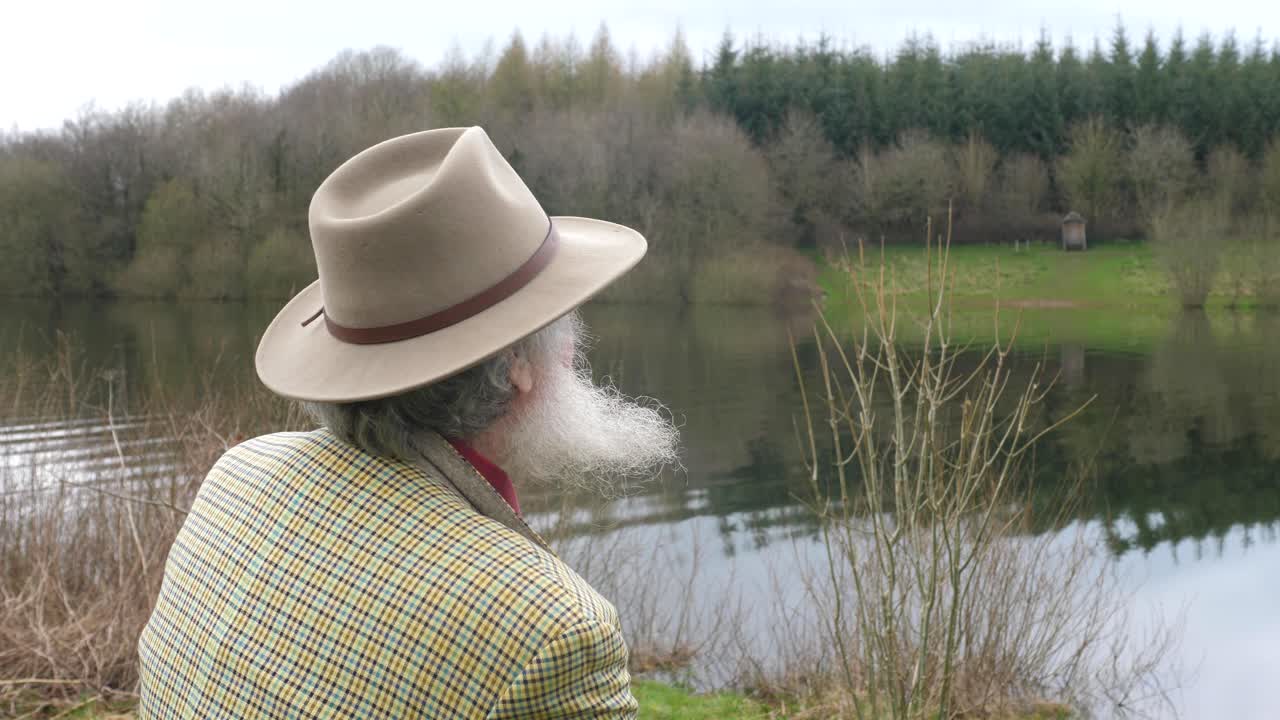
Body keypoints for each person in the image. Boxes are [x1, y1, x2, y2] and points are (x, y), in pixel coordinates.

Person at [136, 127, 680, 718]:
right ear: (518, 364)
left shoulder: (238, 477)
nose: (575, 351)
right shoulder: (551, 628)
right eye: (566, 322)